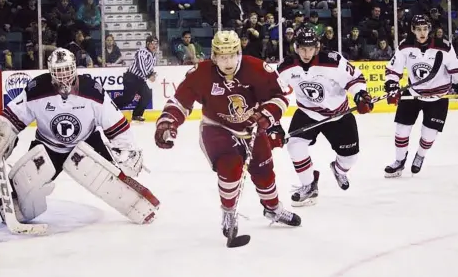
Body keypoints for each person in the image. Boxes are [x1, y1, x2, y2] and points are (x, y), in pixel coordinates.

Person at [0, 48, 159, 226]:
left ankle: (138, 204)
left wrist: (127, 148)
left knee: (113, 180)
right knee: (25, 190)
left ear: (75, 68)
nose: (63, 76)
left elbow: (115, 123)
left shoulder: (92, 91)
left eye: (67, 70)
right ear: (50, 71)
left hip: (88, 142)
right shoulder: (36, 89)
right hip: (48, 146)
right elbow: (13, 118)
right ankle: (15, 204)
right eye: (58, 71)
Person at [154, 30, 301, 240]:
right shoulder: (201, 73)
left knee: (264, 170)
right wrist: (168, 123)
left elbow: (281, 95)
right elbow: (180, 102)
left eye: (232, 55)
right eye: (223, 57)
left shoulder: (257, 68)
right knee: (231, 167)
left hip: (252, 128)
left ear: (240, 53)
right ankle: (229, 213)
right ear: (214, 56)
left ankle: (273, 209)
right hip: (217, 128)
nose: (228, 62)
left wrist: (266, 116)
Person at [269, 28, 374, 206]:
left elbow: (354, 79)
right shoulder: (286, 67)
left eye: (310, 48)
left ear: (317, 47)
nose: (306, 53)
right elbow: (273, 95)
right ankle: (309, 185)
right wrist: (273, 125)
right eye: (302, 48)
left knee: (350, 157)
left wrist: (360, 95)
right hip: (307, 113)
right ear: (296, 47)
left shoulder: (333, 61)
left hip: (338, 114)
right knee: (294, 146)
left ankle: (339, 169)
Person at [383, 15, 458, 178]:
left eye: (425, 29)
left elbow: (457, 69)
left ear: (430, 29)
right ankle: (399, 161)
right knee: (401, 130)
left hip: (438, 97)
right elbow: (393, 70)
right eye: (418, 29)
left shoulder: (444, 46)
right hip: (414, 93)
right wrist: (391, 86)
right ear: (412, 30)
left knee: (428, 135)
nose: (422, 33)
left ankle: (420, 155)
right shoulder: (405, 46)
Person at [113, 36, 158, 122]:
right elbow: (140, 66)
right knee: (128, 99)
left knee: (147, 94)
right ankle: (110, 107)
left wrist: (152, 74)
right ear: (148, 44)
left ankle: (137, 114)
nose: (155, 46)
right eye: (153, 43)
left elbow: (150, 68)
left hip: (140, 80)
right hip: (131, 78)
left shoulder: (153, 55)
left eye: (156, 44)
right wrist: (149, 75)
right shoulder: (141, 52)